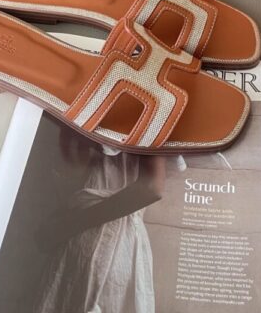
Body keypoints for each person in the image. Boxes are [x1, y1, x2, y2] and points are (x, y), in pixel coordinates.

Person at [34, 124, 165, 313]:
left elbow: (151, 188)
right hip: (90, 238)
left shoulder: (149, 120)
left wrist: (67, 226)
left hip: (99, 237)